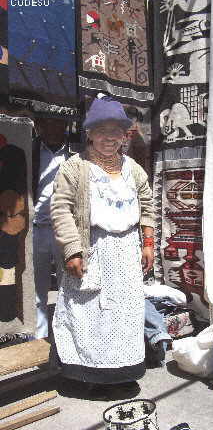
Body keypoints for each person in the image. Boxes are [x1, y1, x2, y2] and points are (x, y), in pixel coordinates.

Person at [50, 97, 154, 398]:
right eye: (102, 131)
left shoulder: (132, 169)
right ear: (90, 134)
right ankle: (86, 377)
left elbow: (146, 204)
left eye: (116, 131)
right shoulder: (75, 168)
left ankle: (121, 373)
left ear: (125, 135)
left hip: (126, 253)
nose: (109, 138)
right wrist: (72, 249)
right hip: (93, 250)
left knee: (125, 314)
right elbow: (60, 209)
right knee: (89, 313)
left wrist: (147, 242)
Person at [32, 117, 71, 339]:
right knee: (38, 288)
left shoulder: (75, 151)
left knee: (69, 285)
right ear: (40, 126)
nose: (53, 128)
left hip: (65, 229)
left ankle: (64, 336)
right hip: (37, 229)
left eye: (58, 123)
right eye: (49, 124)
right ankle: (39, 338)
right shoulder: (31, 149)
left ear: (65, 126)